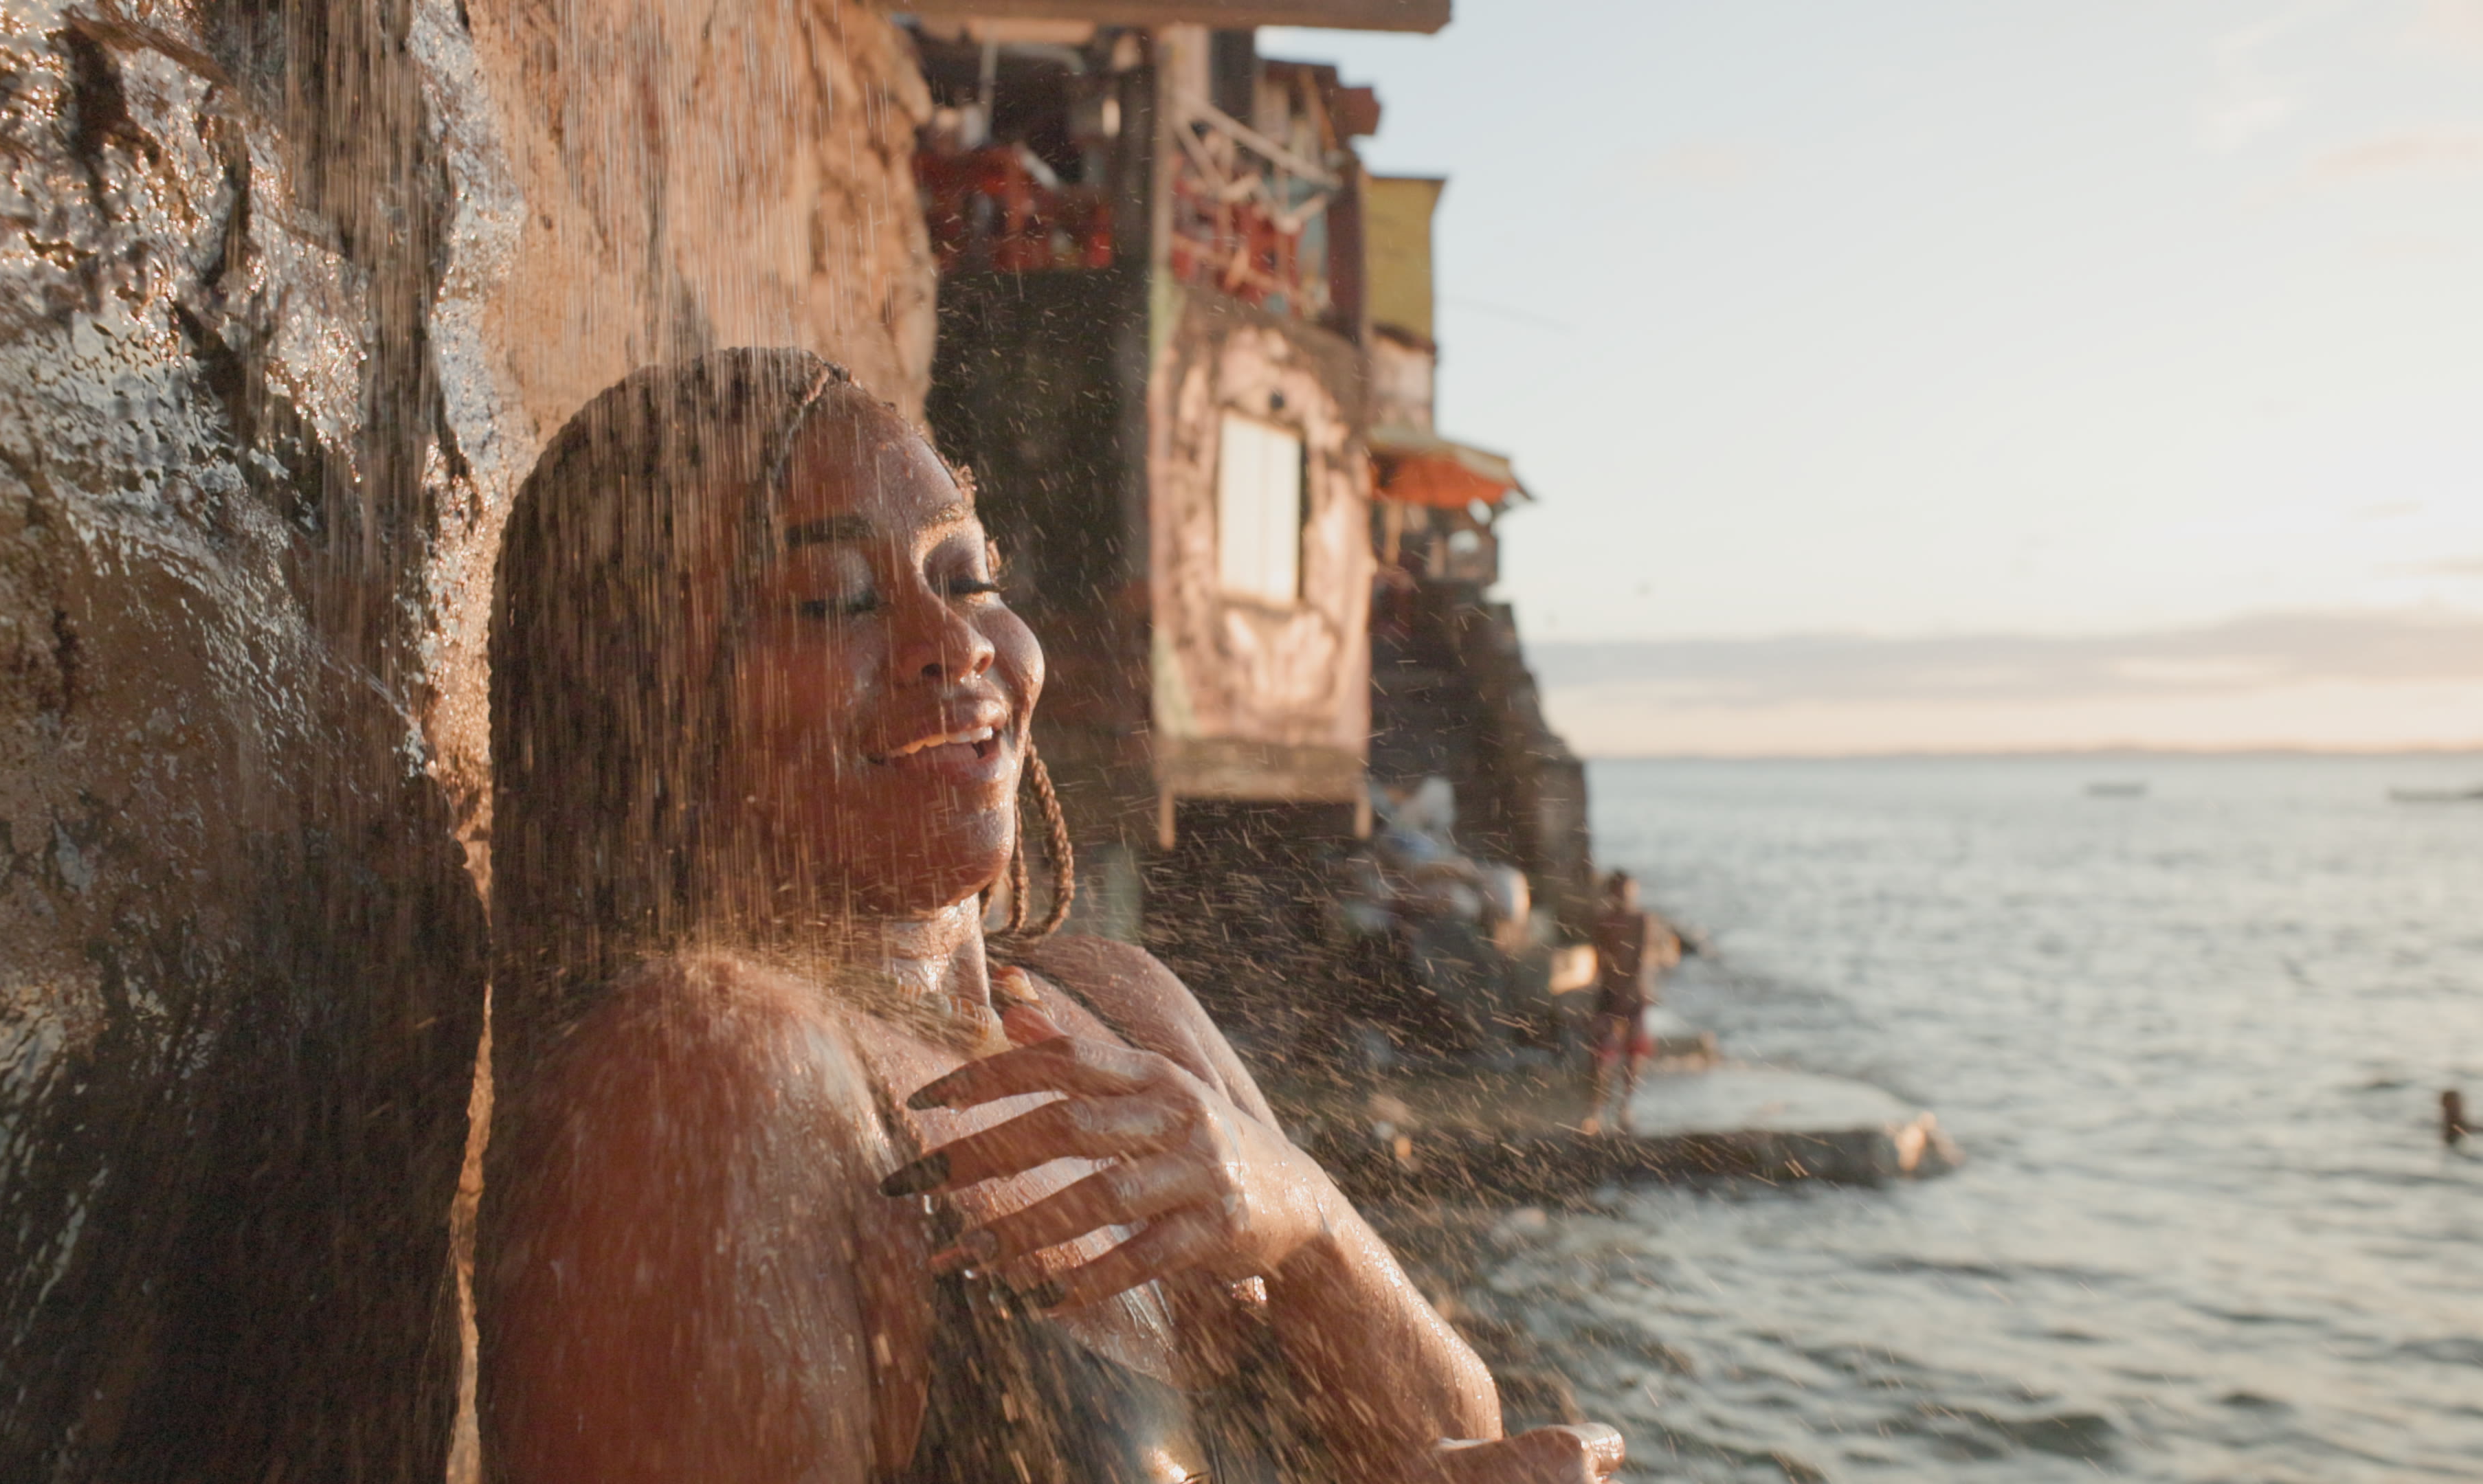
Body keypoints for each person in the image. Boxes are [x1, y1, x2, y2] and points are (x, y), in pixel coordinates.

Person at [476, 349, 1619, 1484]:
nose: (960, 643)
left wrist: (1302, 1216)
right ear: (646, 690)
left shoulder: (1120, 1002)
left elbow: (1444, 1434)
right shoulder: (705, 1072)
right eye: (835, 602)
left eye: (969, 579)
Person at [1579, 869, 1678, 1136]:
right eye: (1619, 891)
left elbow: (1641, 958)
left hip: (1633, 993)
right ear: (1612, 892)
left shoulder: (1640, 920)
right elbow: (1601, 958)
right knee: (1601, 1054)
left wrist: (1629, 990)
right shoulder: (1604, 921)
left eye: (1627, 890)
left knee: (1633, 1054)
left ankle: (1624, 1108)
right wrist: (1611, 988)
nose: (1623, 896)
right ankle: (1596, 1110)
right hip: (1610, 991)